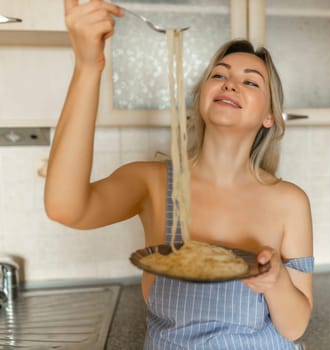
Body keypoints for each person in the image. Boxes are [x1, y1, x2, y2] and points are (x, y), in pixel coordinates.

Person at [45, 1, 314, 349]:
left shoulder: (289, 201)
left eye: (250, 82)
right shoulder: (153, 183)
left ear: (270, 116)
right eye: (219, 75)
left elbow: (295, 327)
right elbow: (65, 208)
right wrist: (87, 67)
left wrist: (276, 281)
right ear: (201, 97)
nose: (230, 84)